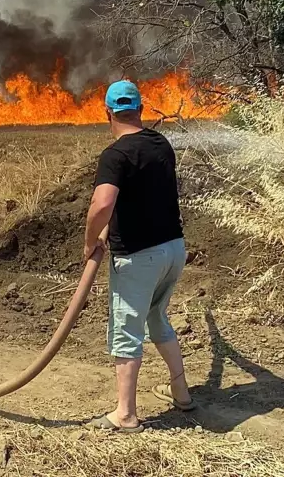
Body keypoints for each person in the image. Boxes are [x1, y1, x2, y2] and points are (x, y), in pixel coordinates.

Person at [81, 80, 196, 433]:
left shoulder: (115, 155)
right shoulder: (161, 144)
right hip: (173, 250)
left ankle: (125, 415)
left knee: (125, 330)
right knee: (157, 317)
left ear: (108, 114)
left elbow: (102, 203)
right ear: (141, 111)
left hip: (139, 259)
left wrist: (90, 242)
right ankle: (182, 394)